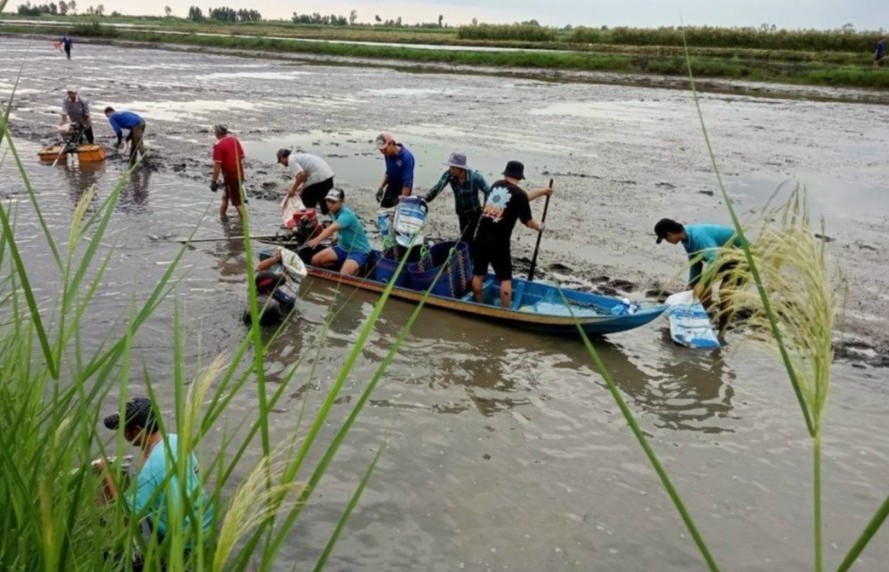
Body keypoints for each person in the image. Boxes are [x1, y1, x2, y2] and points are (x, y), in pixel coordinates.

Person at [96, 396, 214, 547]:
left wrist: (106, 474)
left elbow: (127, 514)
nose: (123, 434)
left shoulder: (149, 471)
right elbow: (196, 471)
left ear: (137, 430)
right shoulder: (175, 440)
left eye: (125, 429)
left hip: (183, 539)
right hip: (206, 521)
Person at [470, 160, 552, 309]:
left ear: (506, 173)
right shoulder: (519, 194)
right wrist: (539, 226)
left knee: (478, 273)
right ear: (520, 177)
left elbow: (520, 199)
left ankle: (478, 306)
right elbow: (527, 221)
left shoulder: (496, 186)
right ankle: (505, 310)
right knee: (505, 278)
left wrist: (542, 191)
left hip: (481, 235)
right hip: (499, 241)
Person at [654, 217, 744, 333]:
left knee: (724, 295)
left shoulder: (698, 236)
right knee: (700, 291)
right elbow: (696, 264)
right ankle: (702, 322)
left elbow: (715, 260)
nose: (667, 242)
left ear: (669, 234)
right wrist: (691, 285)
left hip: (741, 257)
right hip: (723, 259)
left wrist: (702, 283)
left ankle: (722, 333)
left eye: (665, 239)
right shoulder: (686, 240)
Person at [423, 152, 490, 246]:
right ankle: (467, 250)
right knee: (464, 234)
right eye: (450, 167)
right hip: (461, 211)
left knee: (469, 236)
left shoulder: (475, 178)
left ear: (461, 169)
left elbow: (488, 191)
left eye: (453, 168)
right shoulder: (449, 175)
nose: (451, 170)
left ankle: (470, 253)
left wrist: (485, 210)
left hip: (474, 212)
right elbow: (438, 188)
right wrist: (425, 199)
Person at [306, 188, 372, 276]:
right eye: (328, 201)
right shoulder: (334, 212)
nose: (329, 205)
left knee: (343, 275)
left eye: (333, 202)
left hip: (358, 251)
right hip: (343, 247)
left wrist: (317, 239)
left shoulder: (346, 214)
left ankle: (358, 269)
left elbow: (332, 228)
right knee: (315, 260)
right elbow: (342, 228)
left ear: (341, 201)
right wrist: (337, 238)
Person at [275, 148, 335, 215]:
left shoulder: (291, 160)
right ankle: (334, 221)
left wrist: (293, 189)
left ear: (282, 157)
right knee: (326, 203)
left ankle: (309, 219)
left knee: (306, 199)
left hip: (318, 177)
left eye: (280, 161)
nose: (281, 164)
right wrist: (300, 189)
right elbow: (304, 178)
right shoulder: (298, 156)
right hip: (328, 175)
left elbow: (301, 175)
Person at [210, 124, 246, 219]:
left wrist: (213, 181)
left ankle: (244, 222)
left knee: (237, 202)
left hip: (230, 176)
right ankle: (223, 217)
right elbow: (242, 157)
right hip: (239, 174)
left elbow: (217, 166)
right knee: (225, 197)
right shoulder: (234, 140)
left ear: (217, 133)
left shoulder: (218, 146)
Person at [375, 132, 415, 208]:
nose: (383, 152)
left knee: (399, 212)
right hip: (392, 185)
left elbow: (407, 183)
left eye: (385, 149)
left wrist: (402, 201)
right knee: (384, 208)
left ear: (391, 144)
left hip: (403, 187)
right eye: (381, 150)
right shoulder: (387, 155)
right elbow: (388, 172)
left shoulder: (406, 158)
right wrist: (381, 187)